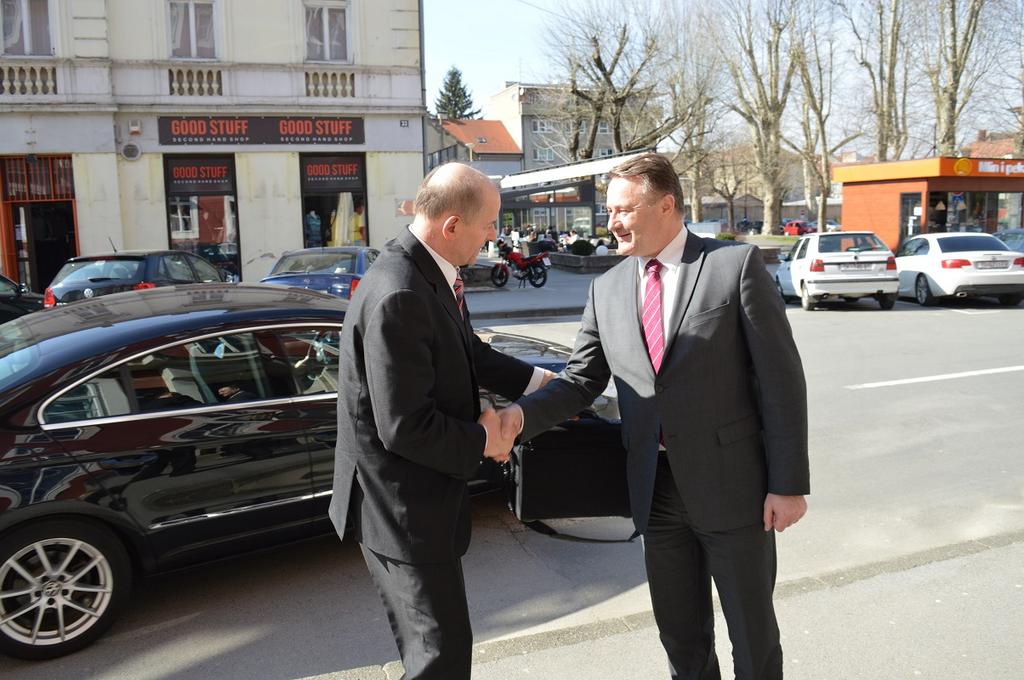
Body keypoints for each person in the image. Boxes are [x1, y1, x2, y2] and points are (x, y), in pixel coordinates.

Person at [499, 152, 808, 679]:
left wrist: (788, 484)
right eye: (610, 211)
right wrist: (517, 419)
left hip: (735, 489)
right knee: (681, 637)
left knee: (752, 635)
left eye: (624, 209)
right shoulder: (607, 288)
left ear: (666, 205)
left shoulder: (733, 266)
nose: (612, 222)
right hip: (655, 490)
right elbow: (580, 380)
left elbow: (781, 380)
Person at [328, 163, 552, 680]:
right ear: (452, 225)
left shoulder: (425, 271)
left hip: (414, 504)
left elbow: (468, 351)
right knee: (439, 658)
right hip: (401, 511)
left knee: (440, 652)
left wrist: (544, 383)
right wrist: (485, 440)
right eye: (489, 224)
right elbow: (405, 426)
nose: (493, 236)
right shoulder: (401, 292)